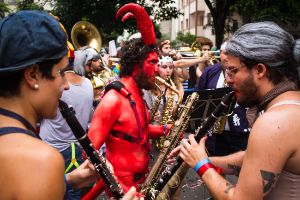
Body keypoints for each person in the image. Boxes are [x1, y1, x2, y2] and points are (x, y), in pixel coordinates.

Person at [0, 10, 144, 200]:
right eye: (61, 73)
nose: (66, 85)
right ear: (33, 75)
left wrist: (68, 181)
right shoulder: (40, 160)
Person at [171, 21, 300, 200]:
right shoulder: (289, 105)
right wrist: (199, 158)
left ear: (260, 70)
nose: (228, 80)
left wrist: (201, 164)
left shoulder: (274, 122)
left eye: (232, 71)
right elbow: (254, 158)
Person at [84, 4, 171, 199]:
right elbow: (89, 154)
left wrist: (167, 130)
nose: (158, 69)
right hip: (123, 189)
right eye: (152, 63)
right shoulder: (113, 100)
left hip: (143, 182)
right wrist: (123, 190)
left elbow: (139, 132)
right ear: (134, 65)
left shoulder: (137, 94)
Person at [39, 42, 94, 199]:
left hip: (53, 150)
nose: (66, 86)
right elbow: (89, 118)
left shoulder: (52, 86)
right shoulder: (89, 84)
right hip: (79, 148)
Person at [197, 41, 250, 156]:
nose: (227, 57)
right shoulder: (210, 71)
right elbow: (199, 96)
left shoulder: (245, 71)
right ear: (220, 53)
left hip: (240, 132)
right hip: (214, 135)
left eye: (231, 53)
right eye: (225, 53)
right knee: (215, 168)